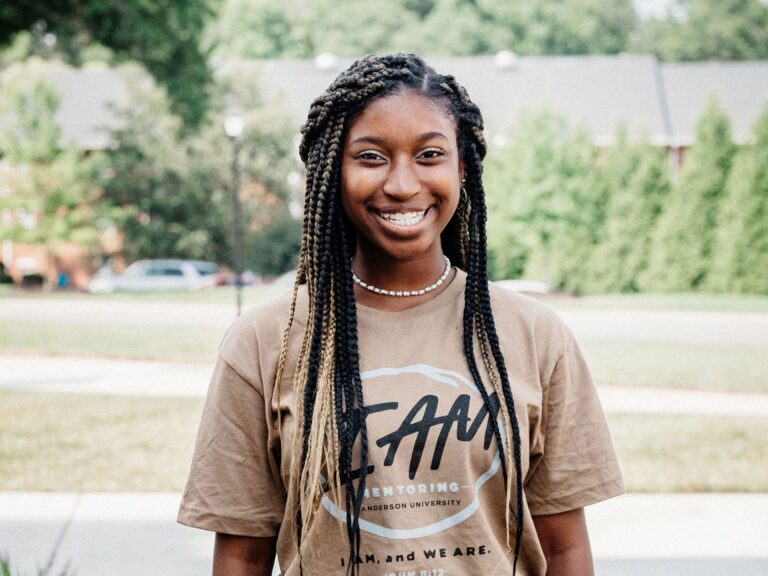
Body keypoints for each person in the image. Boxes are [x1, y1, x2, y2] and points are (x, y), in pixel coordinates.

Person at [178, 53, 624, 576]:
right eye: (371, 157)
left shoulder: (533, 334)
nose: (402, 184)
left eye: (430, 154)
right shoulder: (264, 341)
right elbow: (242, 555)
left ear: (462, 167)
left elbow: (565, 549)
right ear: (332, 171)